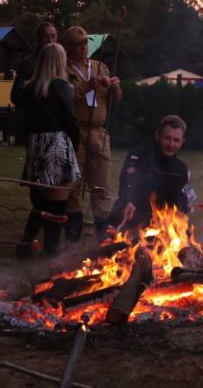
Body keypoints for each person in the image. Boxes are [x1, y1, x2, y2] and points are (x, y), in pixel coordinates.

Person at [16, 43, 81, 256]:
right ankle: (51, 250)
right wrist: (75, 145)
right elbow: (70, 120)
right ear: (59, 61)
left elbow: (23, 120)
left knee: (40, 201)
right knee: (58, 203)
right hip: (56, 144)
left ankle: (25, 246)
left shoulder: (28, 88)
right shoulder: (61, 86)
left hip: (36, 143)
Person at [61, 26, 122, 244]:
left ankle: (103, 238)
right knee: (72, 186)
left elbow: (116, 100)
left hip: (99, 132)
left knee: (102, 186)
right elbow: (65, 97)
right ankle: (72, 238)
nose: (84, 47)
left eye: (85, 43)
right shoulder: (62, 69)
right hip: (75, 132)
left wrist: (114, 88)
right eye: (78, 44)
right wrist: (88, 86)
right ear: (68, 47)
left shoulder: (100, 67)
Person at [101, 115, 193, 239]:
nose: (171, 144)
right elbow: (126, 184)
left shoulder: (181, 169)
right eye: (167, 138)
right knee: (120, 209)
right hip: (134, 213)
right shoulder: (137, 157)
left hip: (162, 221)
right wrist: (128, 201)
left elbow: (182, 201)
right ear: (157, 136)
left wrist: (183, 211)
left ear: (182, 142)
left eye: (176, 140)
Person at [11, 22, 59, 107]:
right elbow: (16, 96)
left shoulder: (62, 62)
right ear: (39, 39)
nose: (51, 41)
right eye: (46, 37)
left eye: (53, 36)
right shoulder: (28, 64)